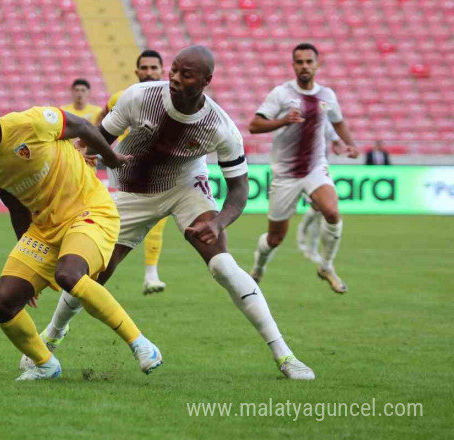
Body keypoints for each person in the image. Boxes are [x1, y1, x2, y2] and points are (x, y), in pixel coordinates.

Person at [31, 46, 315, 380]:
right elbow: (99, 138)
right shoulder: (138, 97)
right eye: (175, 70)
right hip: (131, 193)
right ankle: (51, 336)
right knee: (93, 275)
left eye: (187, 74)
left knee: (223, 265)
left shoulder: (221, 127)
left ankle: (284, 355)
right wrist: (89, 156)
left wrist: (220, 221)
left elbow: (239, 190)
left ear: (207, 81)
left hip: (185, 188)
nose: (176, 78)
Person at [0, 89, 163, 381]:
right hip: (45, 230)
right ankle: (46, 364)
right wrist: (30, 268)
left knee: (69, 274)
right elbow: (17, 208)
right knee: (4, 302)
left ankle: (141, 344)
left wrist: (110, 158)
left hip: (90, 211)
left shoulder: (32, 123)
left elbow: (83, 126)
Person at [247, 43, 359, 294]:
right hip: (285, 175)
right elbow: (254, 125)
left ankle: (326, 266)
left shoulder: (327, 95)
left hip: (315, 168)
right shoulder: (281, 94)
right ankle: (257, 269)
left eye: (309, 61)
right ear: (293, 65)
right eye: (300, 62)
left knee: (331, 212)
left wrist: (349, 145)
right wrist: (282, 121)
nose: (305, 66)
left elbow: (337, 122)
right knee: (275, 238)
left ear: (317, 64)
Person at [96, 49, 170, 295]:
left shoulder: (173, 99)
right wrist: (97, 151)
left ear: (162, 70)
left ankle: (151, 275)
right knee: (116, 226)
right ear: (137, 71)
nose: (149, 73)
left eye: (153, 68)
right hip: (129, 172)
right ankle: (91, 271)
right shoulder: (122, 97)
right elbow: (101, 122)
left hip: (162, 173)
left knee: (156, 224)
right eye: (144, 68)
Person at [296, 120, 342, 263]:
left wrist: (338, 144)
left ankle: (305, 234)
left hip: (320, 170)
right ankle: (311, 247)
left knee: (319, 209)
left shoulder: (325, 122)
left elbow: (336, 139)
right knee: (318, 209)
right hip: (305, 170)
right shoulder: (301, 122)